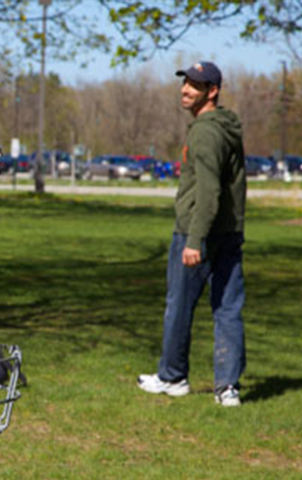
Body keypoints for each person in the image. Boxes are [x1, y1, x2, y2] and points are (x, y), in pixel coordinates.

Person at [137, 62, 247, 407]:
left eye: (194, 85)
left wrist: (194, 240)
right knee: (228, 309)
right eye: (185, 83)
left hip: (198, 232)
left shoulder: (205, 131)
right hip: (230, 231)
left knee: (179, 306)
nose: (185, 90)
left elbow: (209, 191)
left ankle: (173, 376)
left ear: (212, 91)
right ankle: (227, 388)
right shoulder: (228, 127)